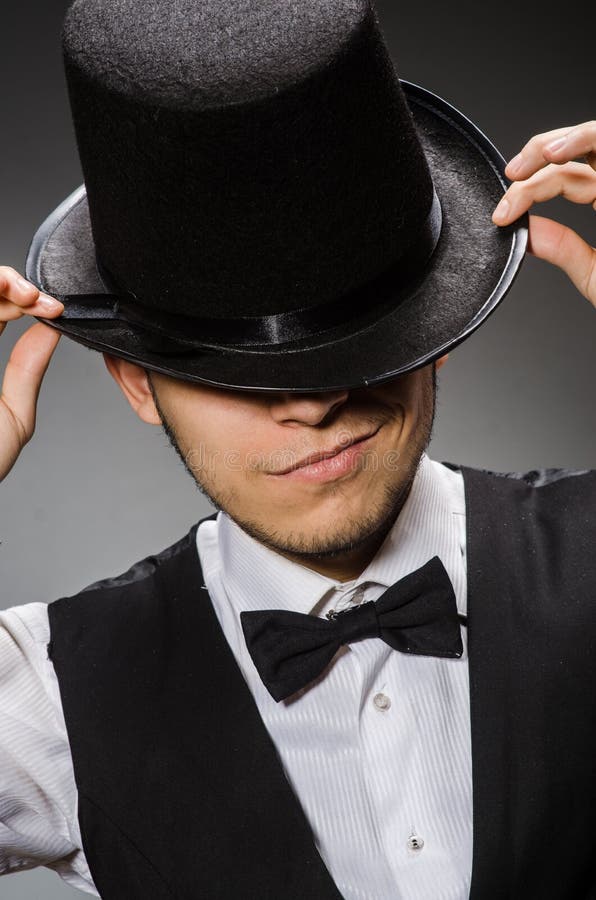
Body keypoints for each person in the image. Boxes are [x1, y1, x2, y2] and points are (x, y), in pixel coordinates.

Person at [1, 1, 596, 898]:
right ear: (137, 385)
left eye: (356, 342)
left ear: (433, 330)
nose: (315, 404)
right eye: (235, 371)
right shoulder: (45, 689)